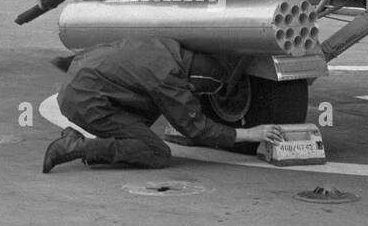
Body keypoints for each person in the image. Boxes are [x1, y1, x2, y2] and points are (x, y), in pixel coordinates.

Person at [42, 38, 285, 172]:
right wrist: (251, 133)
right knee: (157, 153)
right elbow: (195, 128)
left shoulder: (168, 47)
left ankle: (101, 150)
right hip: (86, 100)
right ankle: (78, 146)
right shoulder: (168, 78)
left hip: (84, 82)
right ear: (193, 83)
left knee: (151, 112)